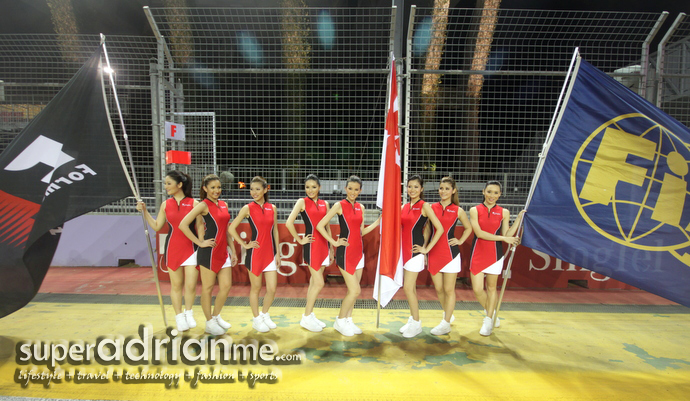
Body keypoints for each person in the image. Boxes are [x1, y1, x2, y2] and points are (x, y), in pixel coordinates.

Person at [136, 170, 203, 332]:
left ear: (179, 185)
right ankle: (179, 316)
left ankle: (189, 313)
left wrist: (201, 243)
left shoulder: (195, 204)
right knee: (176, 285)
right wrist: (144, 212)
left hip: (192, 249)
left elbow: (200, 225)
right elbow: (157, 226)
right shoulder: (165, 205)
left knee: (191, 285)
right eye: (165, 184)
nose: (166, 187)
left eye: (168, 183)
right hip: (173, 249)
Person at [317, 175, 379, 337]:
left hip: (359, 253)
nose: (352, 192)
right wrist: (334, 242)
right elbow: (320, 225)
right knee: (355, 290)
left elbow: (361, 232)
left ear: (360, 191)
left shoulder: (361, 207)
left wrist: (377, 222)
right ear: (345, 189)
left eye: (356, 189)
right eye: (350, 189)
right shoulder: (339, 205)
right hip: (345, 253)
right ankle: (339, 320)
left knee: (353, 291)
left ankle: (348, 320)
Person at [179, 174, 238, 336]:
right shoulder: (203, 205)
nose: (216, 190)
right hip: (208, 253)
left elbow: (225, 230)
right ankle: (209, 322)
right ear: (205, 189)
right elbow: (183, 224)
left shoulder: (223, 204)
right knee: (208, 288)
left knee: (226, 286)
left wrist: (232, 250)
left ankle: (216, 316)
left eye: (218, 187)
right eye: (212, 188)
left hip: (223, 253)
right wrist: (200, 243)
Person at [469, 180, 524, 337]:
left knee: (492, 288)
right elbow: (479, 233)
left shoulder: (504, 212)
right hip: (478, 253)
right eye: (489, 192)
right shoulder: (475, 210)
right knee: (478, 289)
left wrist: (518, 219)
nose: (492, 195)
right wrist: (503, 238)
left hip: (495, 255)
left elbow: (507, 235)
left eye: (495, 193)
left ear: (500, 194)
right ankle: (492, 313)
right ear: (483, 192)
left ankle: (488, 320)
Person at [229, 176, 281, 333]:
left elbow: (275, 231)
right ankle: (256, 318)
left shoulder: (272, 208)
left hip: (270, 254)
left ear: (266, 189)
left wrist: (278, 252)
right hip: (255, 254)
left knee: (272, 289)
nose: (254, 192)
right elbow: (231, 229)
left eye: (258, 189)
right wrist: (244, 244)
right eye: (252, 189)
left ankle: (264, 314)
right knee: (256, 288)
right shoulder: (247, 208)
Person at [397, 175, 444, 338]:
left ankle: (417, 323)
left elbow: (439, 228)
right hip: (403, 253)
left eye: (416, 187)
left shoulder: (425, 206)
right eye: (410, 186)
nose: (412, 190)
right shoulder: (404, 206)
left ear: (421, 189)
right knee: (410, 289)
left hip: (415, 253)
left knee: (408, 288)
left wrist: (426, 248)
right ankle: (412, 318)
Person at [285, 174, 333, 332]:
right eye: (307, 187)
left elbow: (327, 227)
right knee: (319, 283)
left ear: (319, 187)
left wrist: (332, 247)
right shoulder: (302, 202)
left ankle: (310, 314)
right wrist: (300, 240)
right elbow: (289, 222)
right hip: (311, 247)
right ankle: (306, 317)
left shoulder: (325, 204)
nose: (310, 190)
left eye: (313, 187)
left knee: (314, 282)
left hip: (324, 247)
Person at [426, 176, 473, 336]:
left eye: (447, 188)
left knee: (449, 289)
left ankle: (445, 322)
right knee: (439, 289)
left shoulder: (458, 210)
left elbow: (468, 228)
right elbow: (427, 229)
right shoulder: (431, 207)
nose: (443, 191)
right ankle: (448, 313)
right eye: (441, 188)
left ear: (453, 191)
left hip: (451, 254)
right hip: (434, 253)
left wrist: (460, 240)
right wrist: (426, 248)